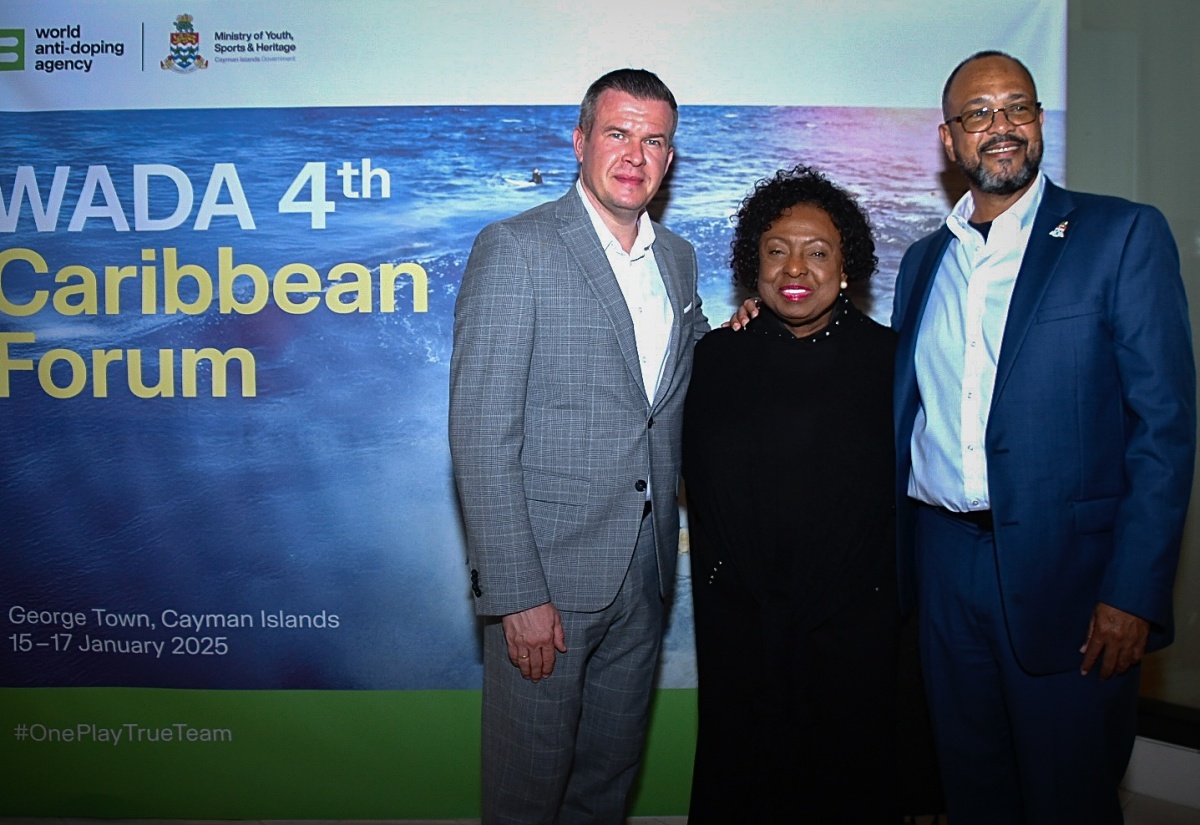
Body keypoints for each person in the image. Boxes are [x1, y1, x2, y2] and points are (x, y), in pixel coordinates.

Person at [892, 51, 1195, 823]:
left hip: (1071, 581)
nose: (1000, 127)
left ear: (1037, 122)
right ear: (949, 140)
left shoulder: (1120, 234)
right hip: (941, 568)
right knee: (972, 791)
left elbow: (1162, 430)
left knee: (1070, 799)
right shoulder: (923, 263)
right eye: (978, 114)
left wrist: (1132, 591)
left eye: (1016, 107)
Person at [448, 68, 708, 825]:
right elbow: (480, 434)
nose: (636, 154)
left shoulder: (679, 261)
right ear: (580, 141)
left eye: (654, 140)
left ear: (670, 157)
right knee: (525, 795)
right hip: (548, 585)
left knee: (606, 786)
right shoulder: (516, 248)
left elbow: (671, 391)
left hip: (647, 573)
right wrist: (517, 595)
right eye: (618, 133)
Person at [683, 165, 900, 822]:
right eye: (776, 250)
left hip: (853, 630)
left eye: (817, 250)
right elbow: (699, 484)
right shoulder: (718, 357)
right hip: (739, 629)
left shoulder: (893, 360)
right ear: (754, 265)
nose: (794, 266)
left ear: (846, 266)